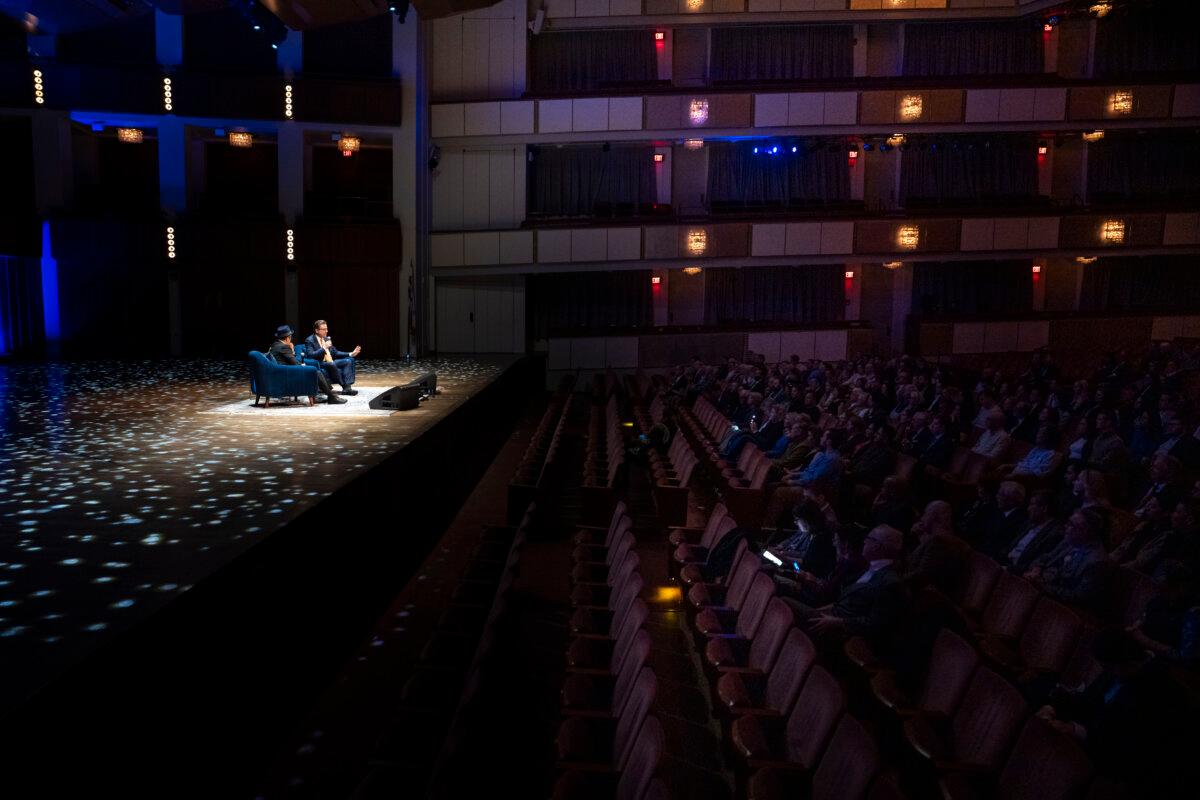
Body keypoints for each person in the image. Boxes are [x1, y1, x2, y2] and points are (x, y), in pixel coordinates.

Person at [783, 525, 907, 645]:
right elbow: (844, 598)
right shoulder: (871, 567)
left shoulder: (890, 582)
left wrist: (839, 622)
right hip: (831, 615)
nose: (864, 542)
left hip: (843, 630)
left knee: (784, 603)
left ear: (877, 546)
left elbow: (876, 623)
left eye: (869, 538)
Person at [1026, 508, 1113, 613]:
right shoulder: (1069, 541)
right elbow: (1045, 557)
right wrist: (1036, 569)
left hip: (1059, 608)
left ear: (1085, 531)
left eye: (1071, 524)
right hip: (1042, 590)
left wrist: (1041, 586)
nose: (1065, 526)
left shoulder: (1097, 562)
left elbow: (1078, 597)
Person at [268, 325, 345, 404]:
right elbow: (294, 363)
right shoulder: (284, 347)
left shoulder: (274, 345)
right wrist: (302, 365)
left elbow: (288, 360)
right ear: (288, 338)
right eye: (291, 337)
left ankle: (327, 394)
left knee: (313, 370)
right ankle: (331, 397)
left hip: (282, 371)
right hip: (287, 374)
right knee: (316, 371)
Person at [304, 320, 361, 396]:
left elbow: (335, 352)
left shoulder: (326, 339)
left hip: (330, 361)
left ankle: (347, 388)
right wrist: (324, 348)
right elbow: (311, 355)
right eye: (324, 329)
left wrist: (350, 354)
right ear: (317, 330)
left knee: (349, 361)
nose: (326, 331)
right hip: (319, 362)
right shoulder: (309, 340)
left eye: (326, 329)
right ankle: (344, 386)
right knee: (331, 364)